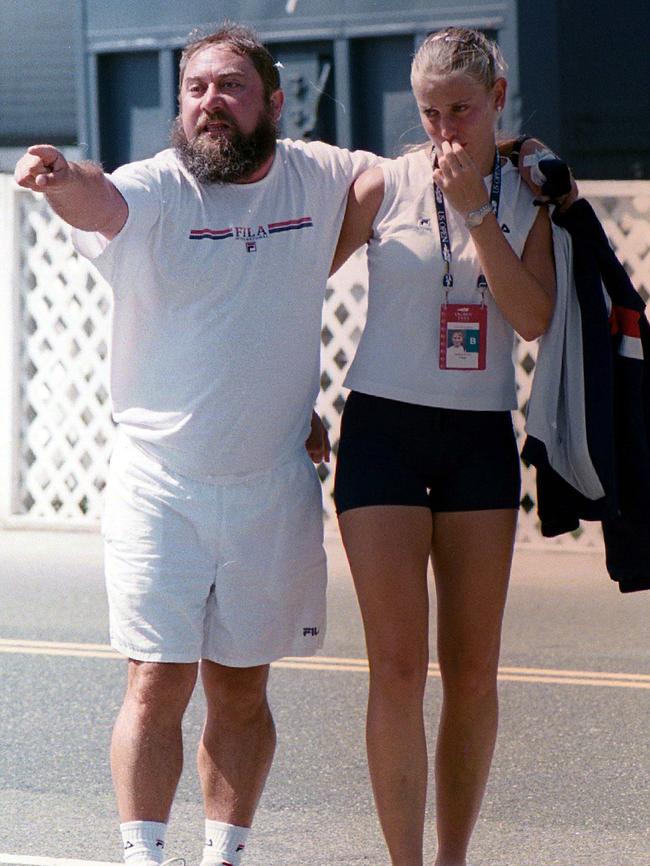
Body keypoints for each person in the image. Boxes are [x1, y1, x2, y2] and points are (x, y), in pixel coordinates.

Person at [14, 22, 379, 866]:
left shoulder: (315, 174)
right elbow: (101, 198)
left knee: (242, 687)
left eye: (231, 87)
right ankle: (143, 855)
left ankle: (226, 855)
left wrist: (493, 143)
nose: (211, 102)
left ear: (273, 101)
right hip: (160, 489)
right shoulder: (158, 189)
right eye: (197, 89)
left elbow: (384, 179)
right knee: (156, 680)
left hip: (273, 486)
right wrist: (62, 178)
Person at [330, 27, 556, 866]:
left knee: (472, 674)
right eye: (430, 112)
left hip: (478, 437)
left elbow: (532, 319)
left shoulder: (531, 192)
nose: (445, 130)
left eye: (461, 110)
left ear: (498, 99)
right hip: (383, 429)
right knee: (395, 668)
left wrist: (478, 216)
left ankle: (453, 856)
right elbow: (291, 285)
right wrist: (291, 407)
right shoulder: (386, 183)